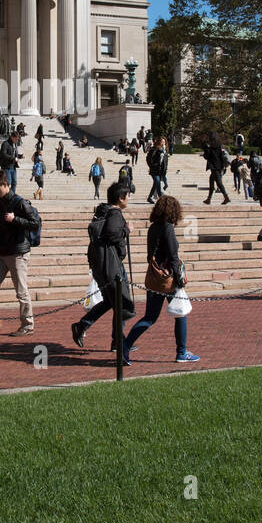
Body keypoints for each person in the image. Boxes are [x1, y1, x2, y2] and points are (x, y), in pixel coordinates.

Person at [124, 194, 199, 363]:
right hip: (168, 278)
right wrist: (176, 275)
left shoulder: (153, 227)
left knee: (150, 317)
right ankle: (181, 352)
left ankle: (125, 345)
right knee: (181, 313)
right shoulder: (168, 228)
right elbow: (173, 255)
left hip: (155, 276)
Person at [72, 182, 134, 360]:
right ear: (120, 198)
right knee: (120, 301)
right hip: (113, 265)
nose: (129, 198)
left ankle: (83, 326)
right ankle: (118, 342)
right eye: (127, 195)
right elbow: (112, 233)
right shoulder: (115, 213)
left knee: (109, 301)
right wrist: (126, 230)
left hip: (102, 264)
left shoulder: (102, 211)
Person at [0, 168, 40, 337]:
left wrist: (15, 219)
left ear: (5, 184)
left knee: (21, 290)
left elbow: (35, 223)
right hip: (1, 251)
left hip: (17, 252)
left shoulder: (20, 202)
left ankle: (28, 323)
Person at [202, 132, 230, 205]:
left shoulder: (210, 147)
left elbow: (207, 156)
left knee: (219, 183)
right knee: (211, 181)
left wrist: (205, 149)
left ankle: (226, 197)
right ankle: (209, 199)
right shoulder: (220, 146)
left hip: (214, 167)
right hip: (219, 166)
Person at [0, 130, 22, 194]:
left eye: (18, 138)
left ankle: (11, 196)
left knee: (14, 182)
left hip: (13, 166)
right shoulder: (5, 144)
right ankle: (1, 193)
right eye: (16, 138)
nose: (17, 140)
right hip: (6, 166)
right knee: (8, 182)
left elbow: (14, 154)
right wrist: (13, 158)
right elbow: (3, 154)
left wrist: (20, 156)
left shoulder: (15, 144)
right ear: (12, 137)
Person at [146, 136, 169, 203]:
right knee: (157, 181)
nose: (163, 143)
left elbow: (165, 161)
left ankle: (158, 197)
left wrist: (165, 169)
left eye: (164, 142)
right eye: (162, 141)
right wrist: (152, 166)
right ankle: (151, 197)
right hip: (154, 169)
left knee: (157, 183)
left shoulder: (165, 151)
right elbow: (148, 159)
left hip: (161, 170)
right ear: (159, 142)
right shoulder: (154, 149)